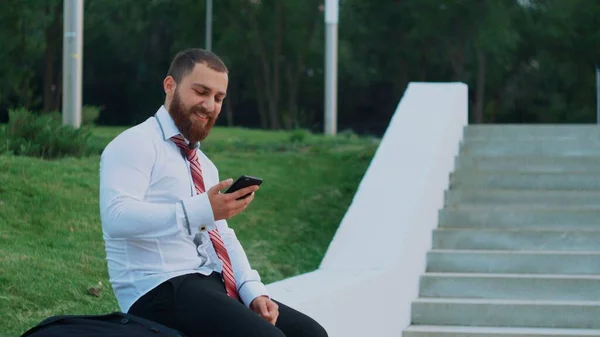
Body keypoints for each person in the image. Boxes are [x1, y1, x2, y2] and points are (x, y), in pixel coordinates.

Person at [98, 48, 328, 337]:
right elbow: (116, 218)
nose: (209, 105)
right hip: (155, 287)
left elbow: (222, 236)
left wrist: (252, 290)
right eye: (201, 92)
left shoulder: (203, 164)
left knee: (309, 333)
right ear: (170, 86)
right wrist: (201, 210)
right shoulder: (135, 144)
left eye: (218, 98)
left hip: (207, 280)